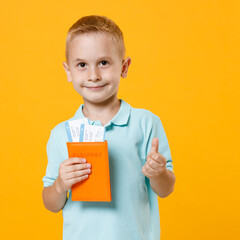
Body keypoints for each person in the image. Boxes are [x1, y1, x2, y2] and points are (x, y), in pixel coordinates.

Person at [42, 15, 175, 240]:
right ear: (68, 71)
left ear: (124, 67)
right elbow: (51, 204)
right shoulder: (60, 135)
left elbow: (166, 189)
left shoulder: (146, 123)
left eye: (103, 63)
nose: (93, 75)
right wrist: (60, 185)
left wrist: (159, 173)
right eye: (82, 65)